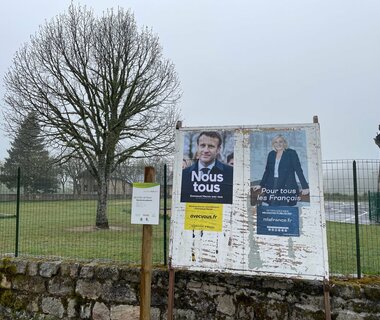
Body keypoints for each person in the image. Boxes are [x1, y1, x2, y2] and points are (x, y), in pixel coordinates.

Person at [252, 134, 309, 206]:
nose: (278, 144)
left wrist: (305, 187)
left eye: (280, 141)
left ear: (284, 143)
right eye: (276, 142)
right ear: (273, 144)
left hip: (286, 185)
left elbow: (298, 170)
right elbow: (267, 171)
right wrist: (261, 185)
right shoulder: (271, 154)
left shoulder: (291, 153)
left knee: (285, 207)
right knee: (272, 205)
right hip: (272, 185)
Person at [181, 131, 233, 204]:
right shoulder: (184, 175)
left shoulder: (230, 174)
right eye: (202, 145)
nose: (206, 150)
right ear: (197, 147)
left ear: (218, 149)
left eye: (211, 146)